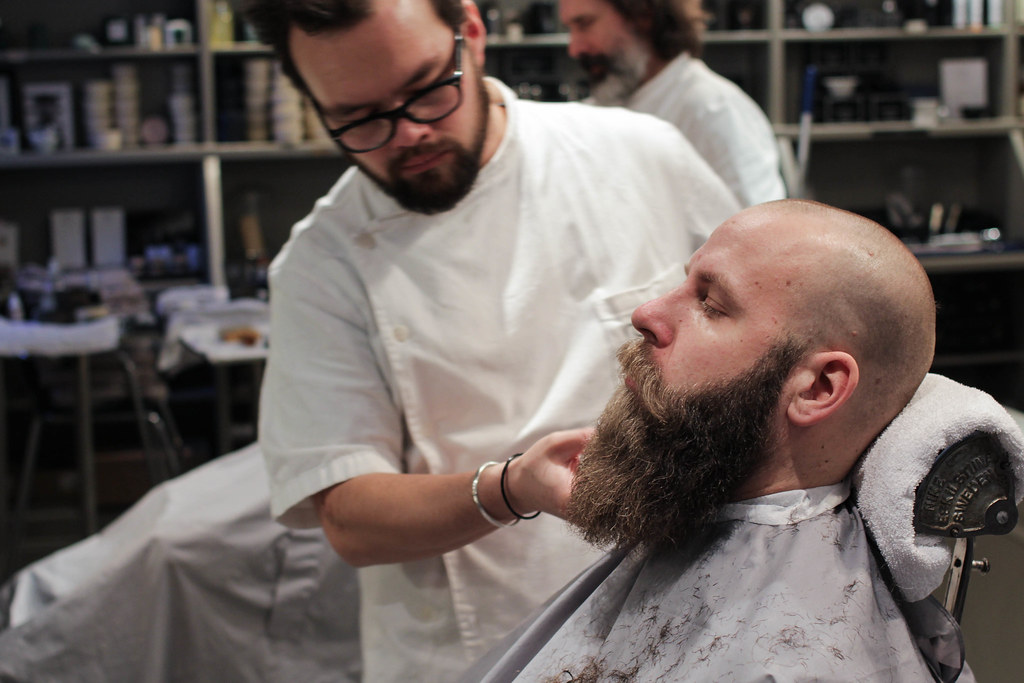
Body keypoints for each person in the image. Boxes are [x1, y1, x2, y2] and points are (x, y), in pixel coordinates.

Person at [244, 0, 739, 679]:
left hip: (693, 611)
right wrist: (510, 489)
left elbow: (767, 318)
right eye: (359, 118)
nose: (408, 131)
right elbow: (348, 516)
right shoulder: (321, 266)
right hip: (479, 648)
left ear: (471, 34)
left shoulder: (638, 154)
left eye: (425, 89)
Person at [460, 198, 956, 681]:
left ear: (818, 388)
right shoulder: (696, 516)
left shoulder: (798, 658)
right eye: (684, 282)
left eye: (712, 305)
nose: (646, 313)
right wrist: (512, 486)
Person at [560, 0, 787, 207]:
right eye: (569, 29)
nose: (574, 48)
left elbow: (761, 232)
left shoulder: (714, 108)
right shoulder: (599, 108)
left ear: (643, 16)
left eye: (585, 24)